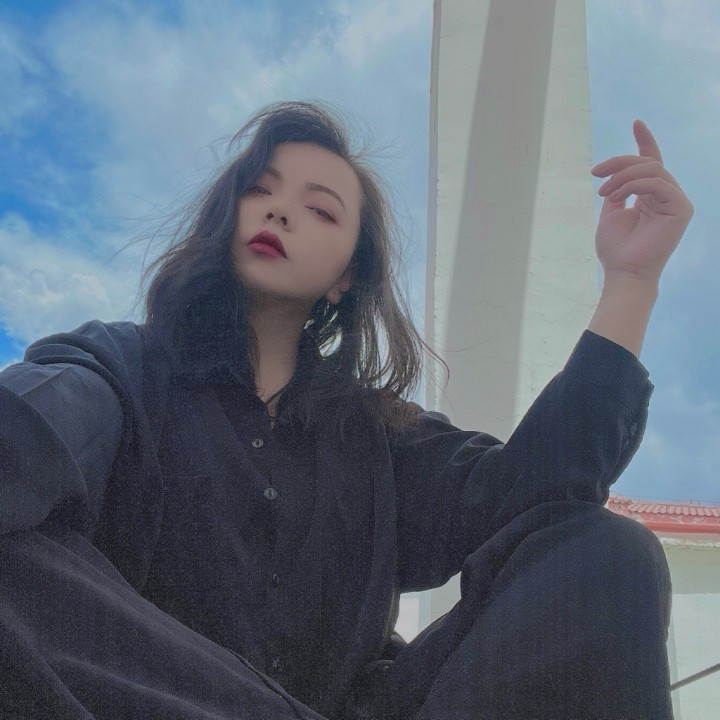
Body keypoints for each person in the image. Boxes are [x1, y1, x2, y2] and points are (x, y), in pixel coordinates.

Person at [0, 100, 693, 720]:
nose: (277, 212)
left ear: (346, 276)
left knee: (608, 550)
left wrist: (631, 282)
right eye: (259, 190)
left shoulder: (381, 438)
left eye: (320, 209)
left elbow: (539, 491)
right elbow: (34, 425)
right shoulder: (121, 367)